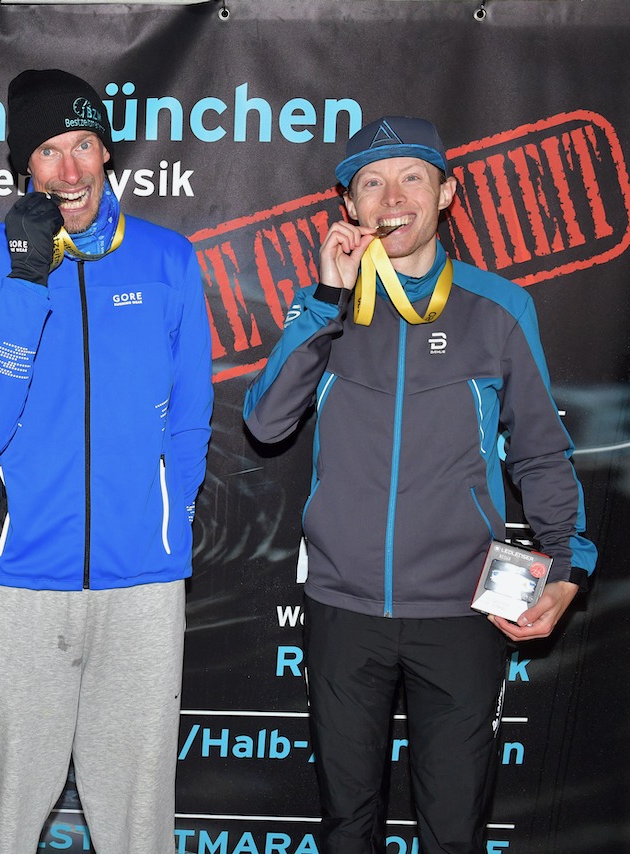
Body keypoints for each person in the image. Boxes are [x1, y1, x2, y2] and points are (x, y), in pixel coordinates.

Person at [243, 116, 597, 854]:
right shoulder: (327, 306)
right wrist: (323, 302)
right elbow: (267, 422)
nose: (391, 197)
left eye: (411, 177)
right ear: (349, 207)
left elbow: (538, 451)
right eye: (370, 182)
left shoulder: (498, 307)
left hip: (465, 608)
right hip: (344, 607)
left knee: (454, 833)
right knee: (347, 828)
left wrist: (566, 569)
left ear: (447, 192)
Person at [0, 69, 213, 854]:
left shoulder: (167, 258)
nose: (69, 171)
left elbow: (191, 413)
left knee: (137, 830)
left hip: (142, 588)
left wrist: (168, 520)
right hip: (20, 584)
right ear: (23, 167)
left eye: (84, 145)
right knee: (3, 829)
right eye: (48, 152)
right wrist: (28, 280)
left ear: (107, 152)